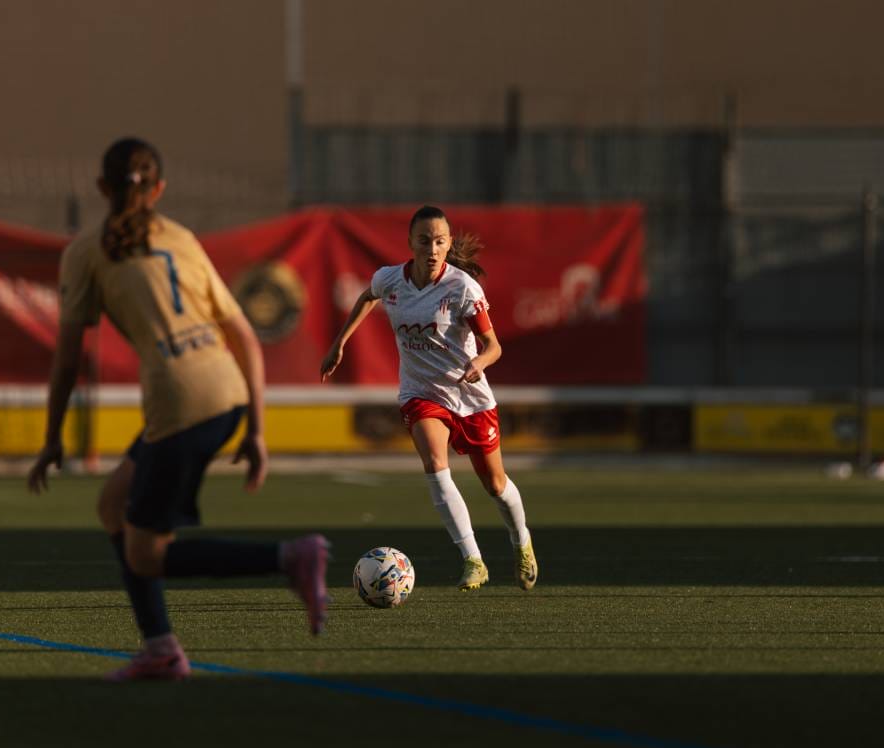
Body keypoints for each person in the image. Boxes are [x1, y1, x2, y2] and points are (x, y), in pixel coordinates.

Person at [27, 137, 328, 682]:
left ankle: (288, 558)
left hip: (180, 400)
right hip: (226, 391)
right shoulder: (182, 239)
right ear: (159, 189)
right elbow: (244, 335)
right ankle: (161, 648)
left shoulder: (86, 250)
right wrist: (257, 430)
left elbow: (68, 359)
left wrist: (52, 438)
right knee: (113, 503)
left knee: (146, 554)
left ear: (101, 188)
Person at [320, 205, 538, 592]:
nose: (432, 248)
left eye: (439, 241)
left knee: (495, 484)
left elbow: (493, 346)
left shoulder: (462, 288)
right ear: (410, 243)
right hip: (421, 393)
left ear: (448, 243)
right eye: (424, 241)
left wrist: (478, 363)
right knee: (435, 464)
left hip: (469, 395)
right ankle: (473, 559)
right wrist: (340, 343)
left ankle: (522, 541)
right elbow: (368, 297)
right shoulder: (391, 280)